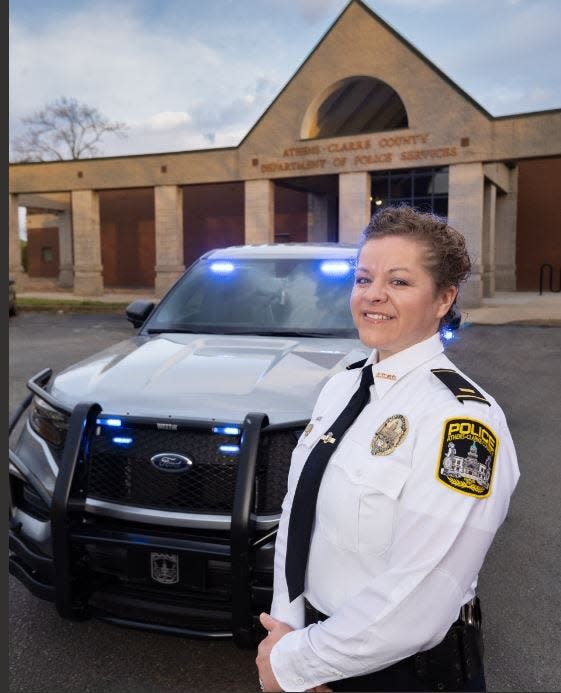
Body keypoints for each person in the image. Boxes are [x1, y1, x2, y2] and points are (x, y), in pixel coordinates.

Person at [256, 205, 520, 692]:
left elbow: (421, 594)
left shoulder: (461, 421)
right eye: (363, 278)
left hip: (405, 673)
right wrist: (287, 630)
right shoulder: (343, 388)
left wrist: (300, 664)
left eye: (399, 282)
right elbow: (299, 514)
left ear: (443, 299)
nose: (373, 295)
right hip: (320, 643)